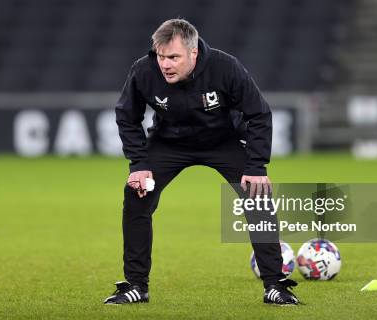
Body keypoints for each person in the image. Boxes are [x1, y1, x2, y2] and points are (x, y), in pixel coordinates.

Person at [104, 19, 300, 306]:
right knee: (136, 194)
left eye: (173, 57)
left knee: (258, 197)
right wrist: (139, 164)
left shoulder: (225, 67)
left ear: (193, 53)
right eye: (161, 56)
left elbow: (259, 114)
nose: (165, 64)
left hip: (223, 141)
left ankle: (275, 285)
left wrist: (256, 167)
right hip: (169, 143)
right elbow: (126, 116)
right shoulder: (143, 71)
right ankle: (136, 285)